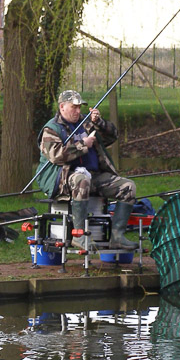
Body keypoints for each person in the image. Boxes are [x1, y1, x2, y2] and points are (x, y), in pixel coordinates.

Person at [36, 90, 136, 250]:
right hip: (64, 178)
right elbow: (57, 156)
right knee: (81, 180)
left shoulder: (85, 122)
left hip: (94, 176)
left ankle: (118, 236)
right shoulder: (51, 129)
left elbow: (112, 136)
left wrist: (99, 122)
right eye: (73, 107)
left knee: (128, 187)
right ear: (62, 107)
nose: (77, 111)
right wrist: (83, 145)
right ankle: (79, 235)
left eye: (79, 107)